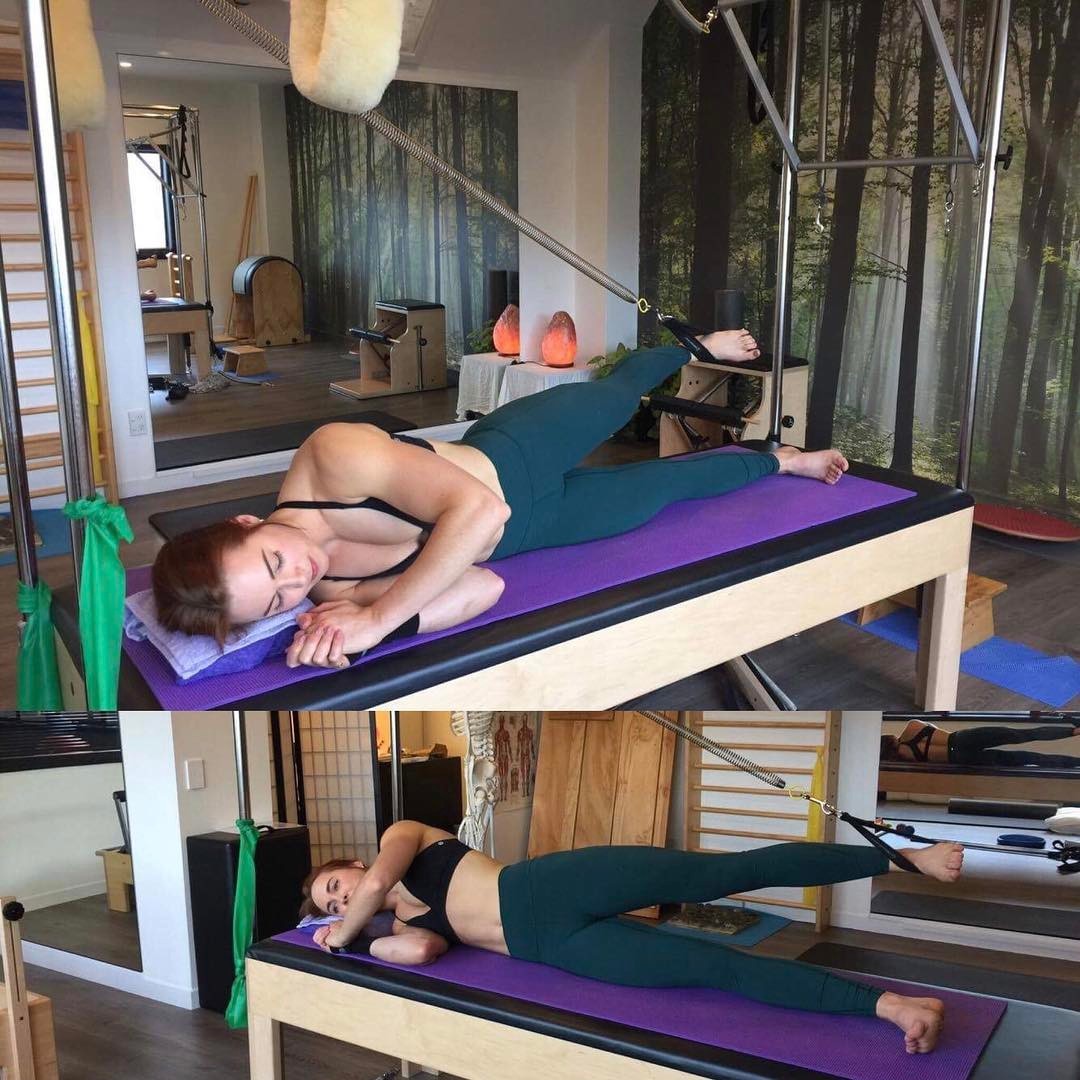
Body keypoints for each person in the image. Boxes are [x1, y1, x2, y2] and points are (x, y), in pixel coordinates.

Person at [151, 332, 849, 668]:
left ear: (246, 522)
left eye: (273, 563)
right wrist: (371, 629)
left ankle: (690, 344)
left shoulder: (334, 457)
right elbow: (481, 585)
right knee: (667, 488)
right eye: (277, 602)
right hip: (535, 527)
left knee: (615, 396)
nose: (298, 579)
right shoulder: (330, 590)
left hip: (516, 453)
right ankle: (780, 459)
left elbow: (483, 511)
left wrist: (375, 617)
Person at [300, 820, 965, 1054]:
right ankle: (891, 1006)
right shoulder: (405, 925)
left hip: (552, 886)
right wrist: (357, 939)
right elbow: (417, 952)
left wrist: (340, 930)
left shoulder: (401, 838)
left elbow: (377, 880)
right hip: (559, 948)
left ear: (351, 866)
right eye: (329, 904)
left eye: (334, 885)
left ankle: (906, 858)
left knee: (727, 873)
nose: (339, 899)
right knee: (714, 968)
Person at [881, 717, 1080, 769]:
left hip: (959, 757)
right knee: (1025, 734)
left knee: (1028, 758)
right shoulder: (912, 726)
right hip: (961, 738)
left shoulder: (903, 758)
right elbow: (932, 727)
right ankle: (1075, 731)